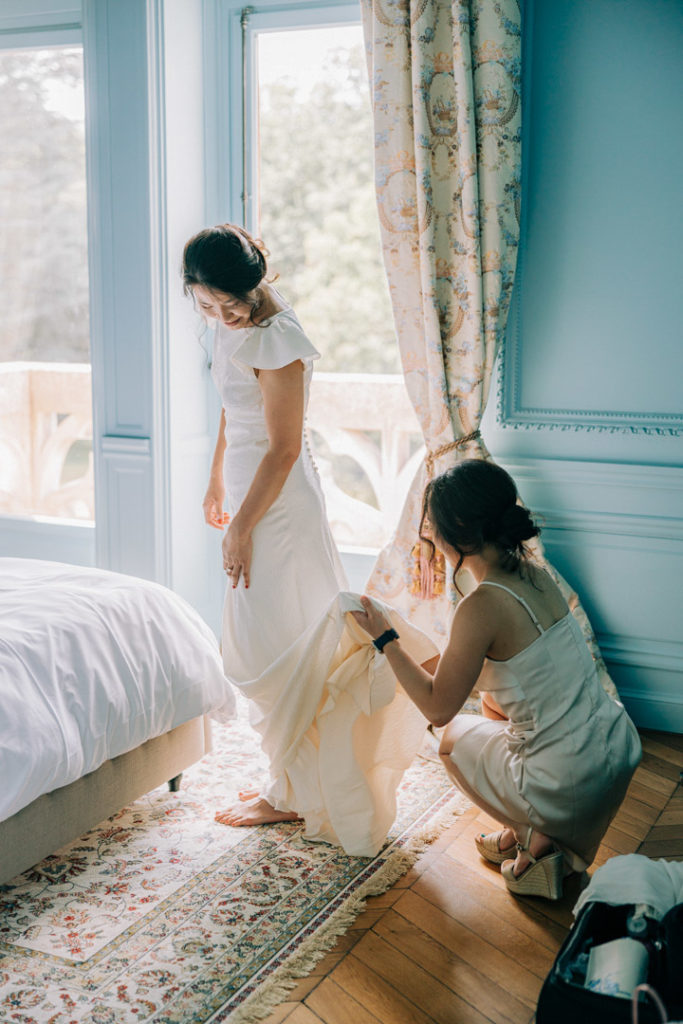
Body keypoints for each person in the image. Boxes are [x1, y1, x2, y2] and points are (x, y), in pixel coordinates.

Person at [352, 459, 641, 899]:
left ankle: (535, 842)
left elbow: (436, 707)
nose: (429, 532)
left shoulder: (481, 605)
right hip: (614, 746)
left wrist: (386, 638)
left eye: (432, 524)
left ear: (458, 530)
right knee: (493, 705)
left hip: (568, 778)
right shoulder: (536, 573)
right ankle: (532, 833)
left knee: (449, 738)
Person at [182, 223, 347, 827]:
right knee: (267, 635)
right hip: (250, 491)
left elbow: (283, 448)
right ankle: (291, 781)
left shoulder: (280, 339)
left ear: (258, 286)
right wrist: (215, 478)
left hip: (278, 506)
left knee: (282, 640)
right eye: (207, 304)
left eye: (234, 303)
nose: (223, 316)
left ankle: (288, 793)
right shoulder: (231, 326)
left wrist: (241, 527)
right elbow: (233, 409)